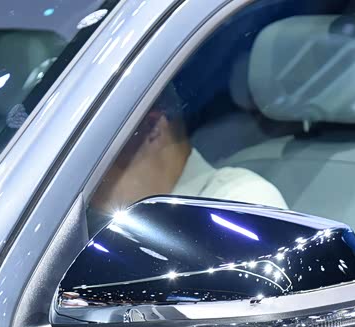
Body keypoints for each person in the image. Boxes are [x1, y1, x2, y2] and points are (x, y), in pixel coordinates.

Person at [88, 84, 286, 231]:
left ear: (151, 127)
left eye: (96, 142)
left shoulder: (239, 204)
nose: (86, 172)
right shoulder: (112, 226)